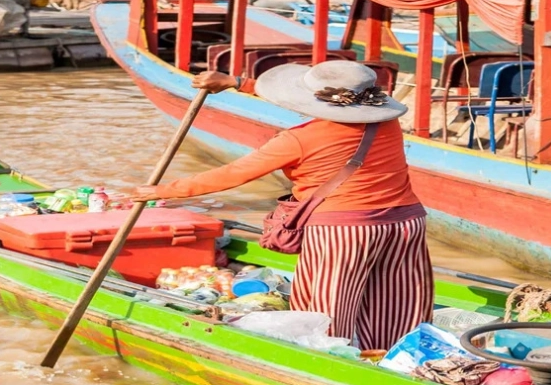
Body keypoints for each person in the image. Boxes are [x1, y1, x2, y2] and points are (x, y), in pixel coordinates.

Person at [135, 61, 431, 350]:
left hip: (344, 231)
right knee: (395, 300)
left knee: (326, 306)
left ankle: (328, 359)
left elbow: (233, 174)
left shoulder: (298, 139)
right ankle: (396, 355)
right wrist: (237, 83)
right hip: (406, 223)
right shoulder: (388, 122)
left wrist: (162, 190)